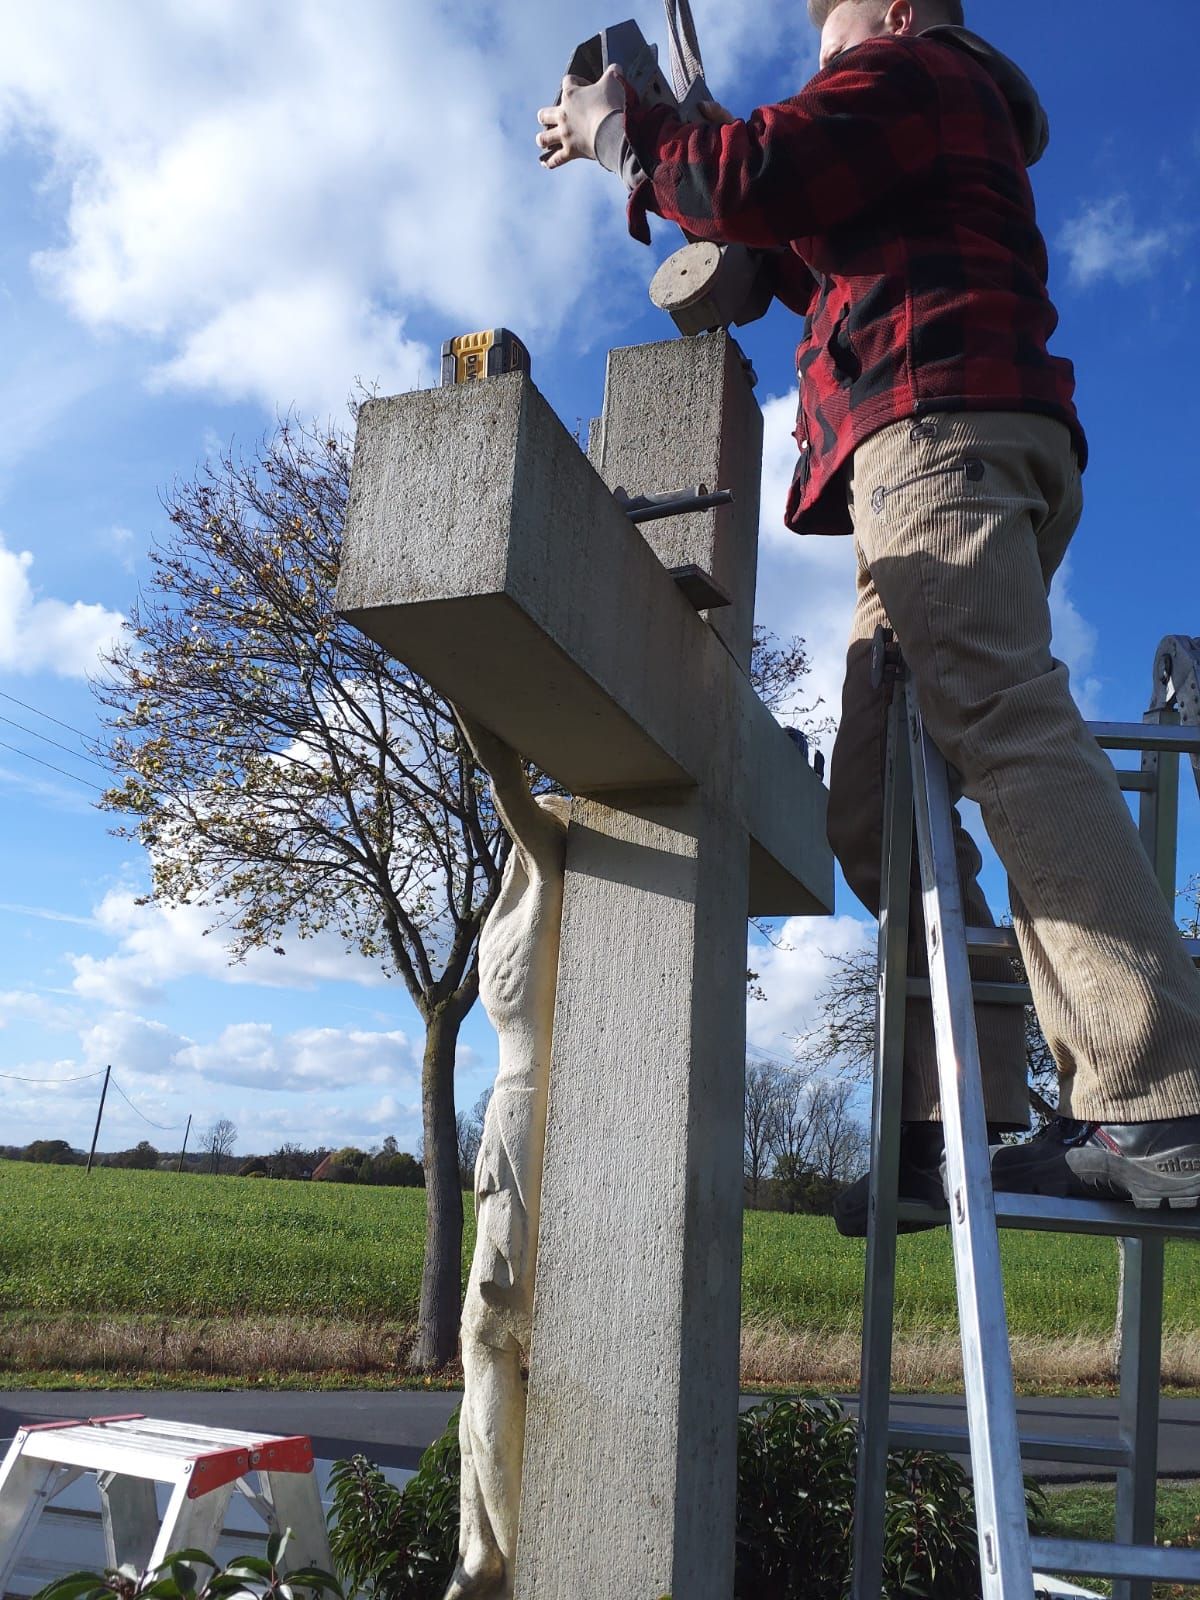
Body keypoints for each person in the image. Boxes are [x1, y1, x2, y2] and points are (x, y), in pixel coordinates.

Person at [536, 0, 1200, 1225]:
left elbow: (748, 174)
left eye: (826, 34)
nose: (821, 60)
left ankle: (1163, 1088)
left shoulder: (910, 68)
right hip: (939, 456)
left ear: (892, 12)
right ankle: (961, 1119)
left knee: (1001, 717)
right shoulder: (921, 115)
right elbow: (796, 241)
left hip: (936, 448)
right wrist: (673, 152)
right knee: (879, 808)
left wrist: (625, 136)